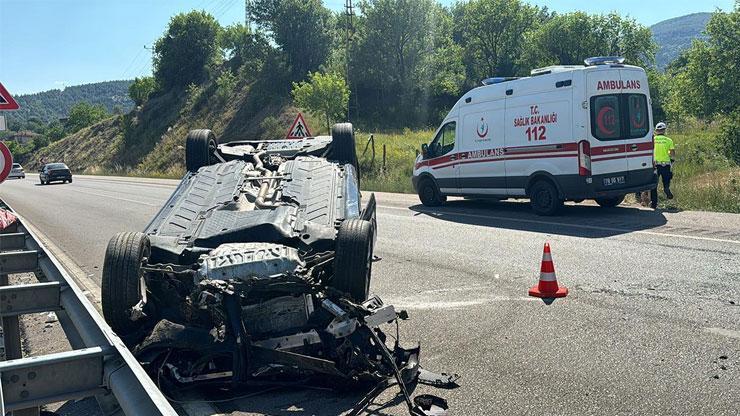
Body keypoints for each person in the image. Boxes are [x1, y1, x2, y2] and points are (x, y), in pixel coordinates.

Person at [650, 122, 675, 209]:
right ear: (664, 130)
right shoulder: (669, 140)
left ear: (656, 130)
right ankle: (666, 189)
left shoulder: (653, 140)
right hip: (666, 164)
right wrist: (670, 156)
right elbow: (672, 153)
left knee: (654, 185)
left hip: (655, 165)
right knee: (666, 180)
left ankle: (654, 204)